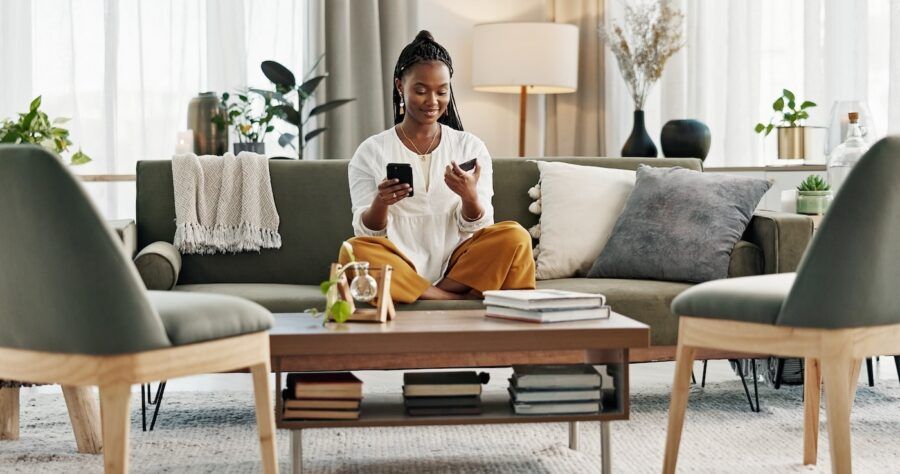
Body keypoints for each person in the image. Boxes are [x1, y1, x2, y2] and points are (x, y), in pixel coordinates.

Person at [340, 30, 535, 303]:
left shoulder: (470, 146)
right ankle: (451, 299)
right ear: (400, 87)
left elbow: (479, 228)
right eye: (420, 91)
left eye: (441, 91)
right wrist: (381, 202)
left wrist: (469, 197)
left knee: (515, 236)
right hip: (398, 261)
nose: (432, 101)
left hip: (458, 265)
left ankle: (423, 293)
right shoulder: (371, 151)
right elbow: (368, 233)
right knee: (354, 250)